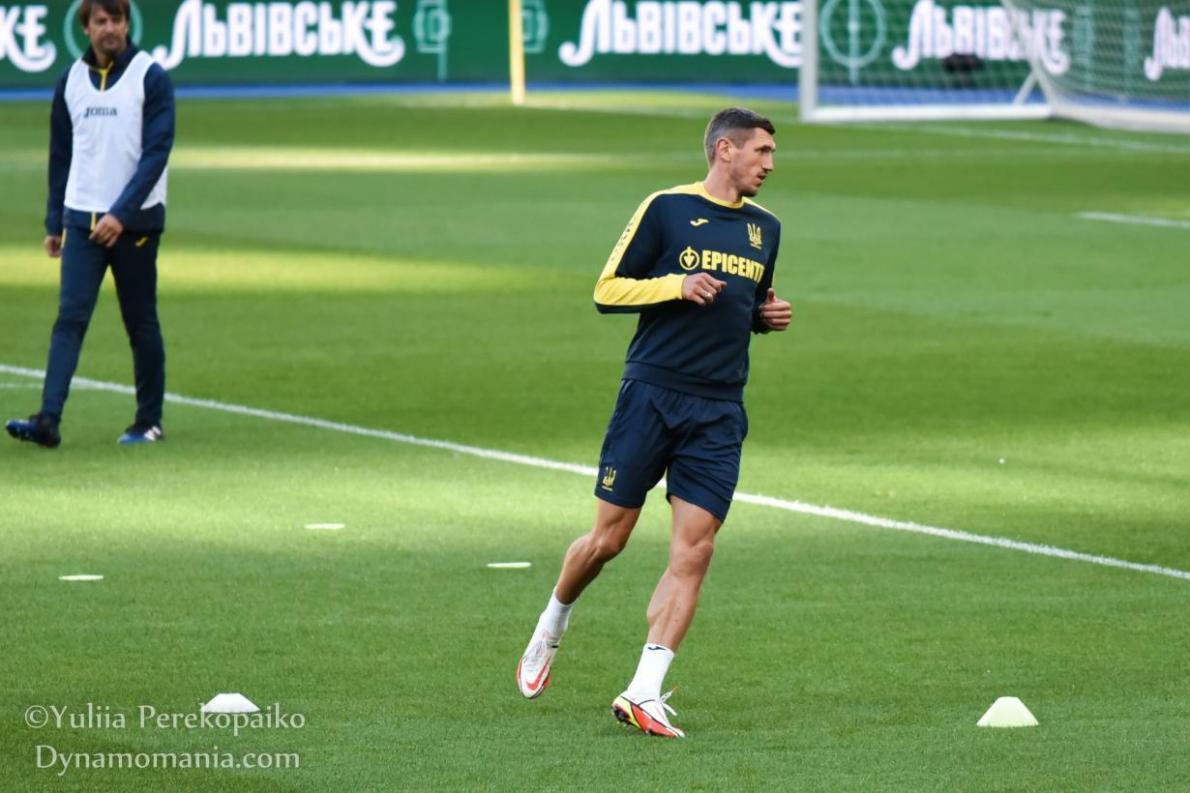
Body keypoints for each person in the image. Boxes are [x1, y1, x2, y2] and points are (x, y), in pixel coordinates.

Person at [516, 108, 793, 737]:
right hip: (652, 395)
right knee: (608, 540)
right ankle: (553, 620)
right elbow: (607, 289)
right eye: (762, 151)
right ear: (725, 150)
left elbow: (746, 303)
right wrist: (674, 285)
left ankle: (643, 690)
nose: (770, 164)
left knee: (696, 549)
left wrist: (764, 317)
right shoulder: (667, 208)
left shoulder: (766, 229)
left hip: (720, 409)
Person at [5, 0, 175, 449]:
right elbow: (62, 155)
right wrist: (54, 221)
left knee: (140, 321)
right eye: (101, 21)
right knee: (70, 318)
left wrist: (121, 214)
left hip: (135, 224)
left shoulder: (150, 76)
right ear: (86, 27)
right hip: (82, 220)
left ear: (127, 24)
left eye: (117, 20)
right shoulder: (71, 81)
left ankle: (148, 421)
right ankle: (48, 420)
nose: (110, 28)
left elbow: (157, 152)